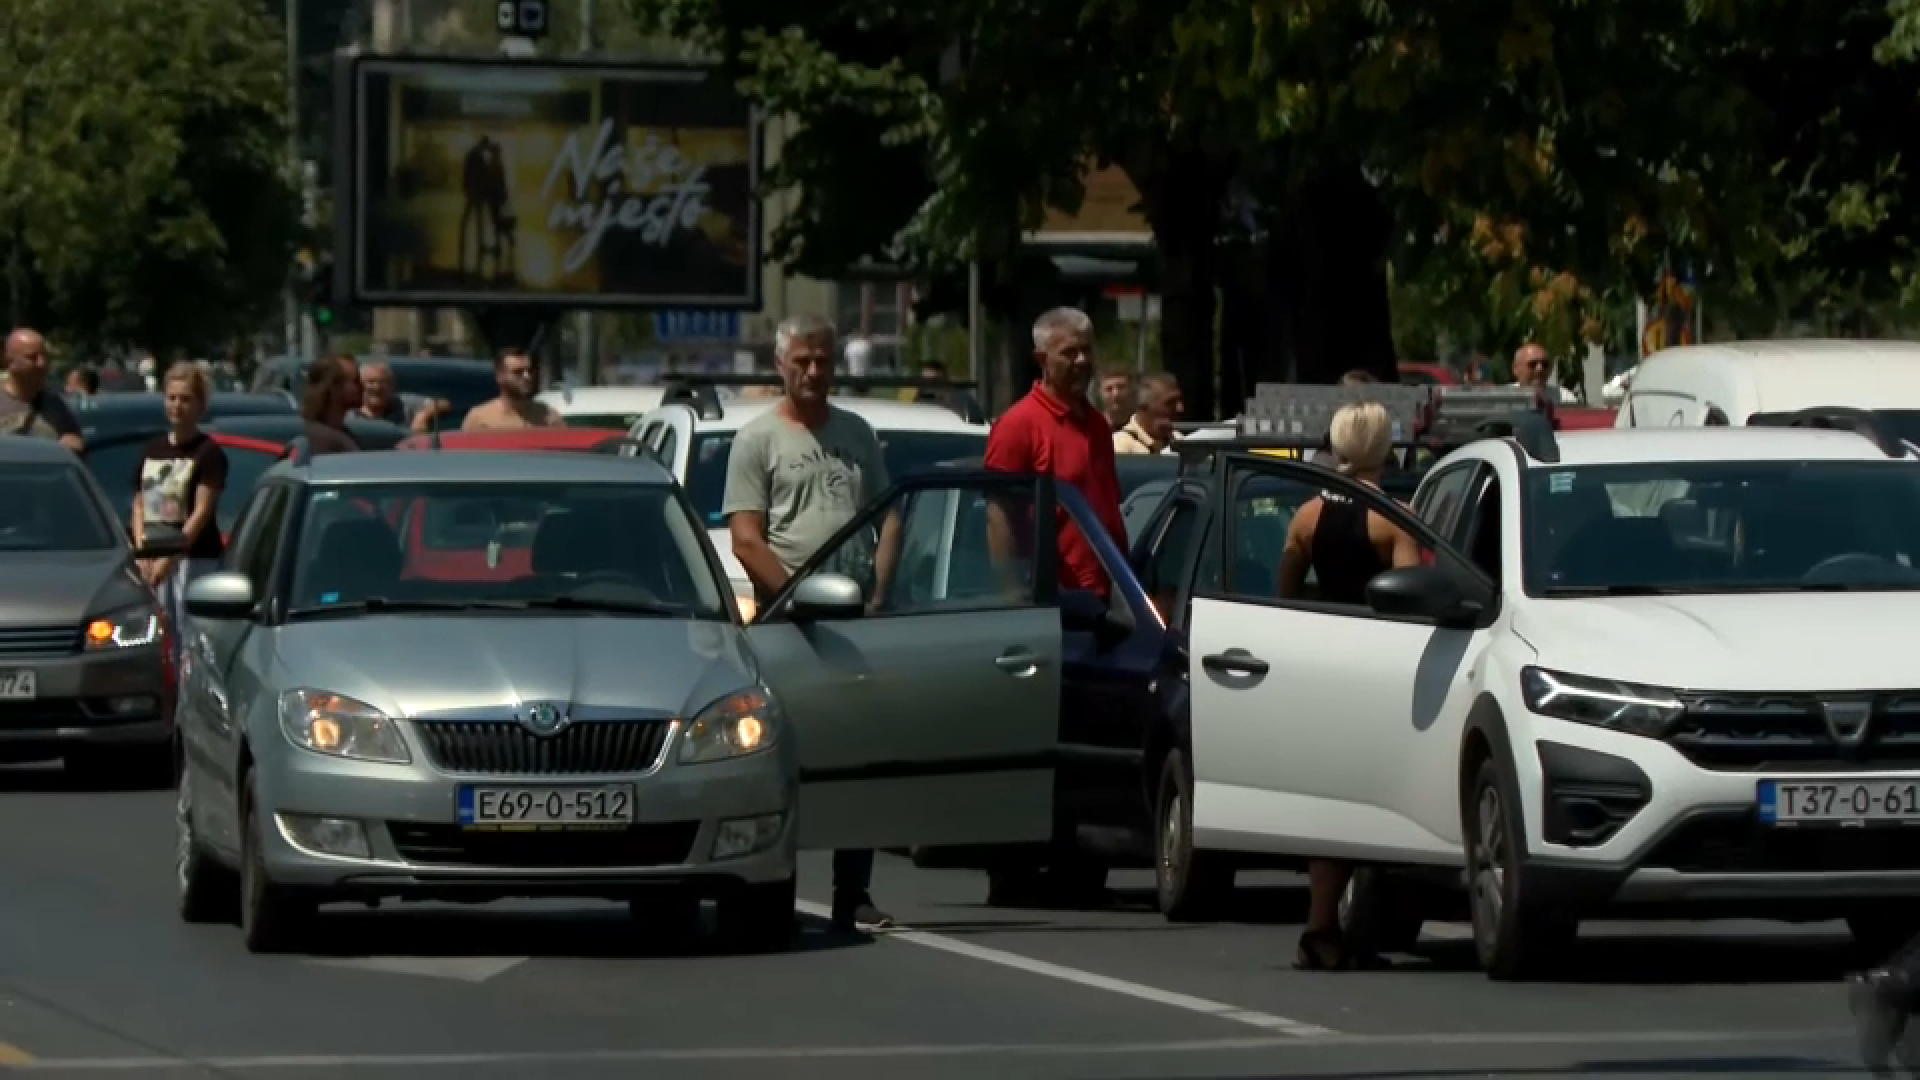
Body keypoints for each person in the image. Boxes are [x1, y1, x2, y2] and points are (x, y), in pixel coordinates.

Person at [720, 313, 901, 933]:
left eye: (823, 359)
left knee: (861, 756)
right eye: (803, 360)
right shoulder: (758, 440)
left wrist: (878, 588)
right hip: (789, 622)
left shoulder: (856, 431)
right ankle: (772, 889)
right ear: (780, 364)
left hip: (858, 621)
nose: (816, 371)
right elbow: (747, 540)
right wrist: (796, 597)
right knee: (782, 758)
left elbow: (889, 515)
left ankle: (854, 892)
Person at [1277, 402, 1424, 971]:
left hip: (1321, 667)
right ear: (1384, 450)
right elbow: (1413, 603)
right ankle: (1345, 926)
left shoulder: (1306, 516)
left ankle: (1322, 924)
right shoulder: (1393, 519)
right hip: (1374, 670)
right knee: (1371, 802)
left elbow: (1285, 597)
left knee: (1328, 801)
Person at [984, 307, 1127, 597]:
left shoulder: (1098, 426)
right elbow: (998, 518)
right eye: (1069, 353)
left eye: (1087, 350)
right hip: (1052, 602)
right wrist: (1012, 595)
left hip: (1107, 599)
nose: (1083, 360)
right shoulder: (1018, 426)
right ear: (1042, 360)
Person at [132, 363, 229, 670]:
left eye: (185, 399)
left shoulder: (208, 453)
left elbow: (201, 511)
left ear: (200, 405)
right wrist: (143, 553)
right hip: (154, 560)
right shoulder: (152, 449)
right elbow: (139, 504)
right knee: (160, 642)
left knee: (191, 642)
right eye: (172, 398)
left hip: (194, 560)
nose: (177, 405)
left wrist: (169, 557)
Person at [0, 329, 83, 453]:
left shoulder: (53, 404)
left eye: (44, 356)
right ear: (10, 362)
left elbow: (76, 442)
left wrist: (70, 445)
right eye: (32, 357)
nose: (42, 363)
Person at [463, 350, 562, 430]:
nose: (527, 376)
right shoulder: (481, 418)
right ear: (499, 376)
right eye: (518, 372)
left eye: (530, 371)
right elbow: (467, 453)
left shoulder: (547, 416)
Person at [358, 360, 449, 432]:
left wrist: (422, 416)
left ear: (392, 386)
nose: (377, 387)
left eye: (383, 382)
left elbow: (442, 403)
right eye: (370, 382)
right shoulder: (349, 411)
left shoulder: (403, 403)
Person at [300, 356, 364, 455]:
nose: (362, 386)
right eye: (355, 380)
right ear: (332, 387)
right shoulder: (322, 440)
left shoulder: (342, 433)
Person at [1113, 373, 1183, 454]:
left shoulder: (1179, 439)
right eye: (1170, 403)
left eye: (1179, 401)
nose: (1180, 409)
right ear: (1143, 405)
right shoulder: (1120, 446)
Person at [1511, 343, 1579, 404]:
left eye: (1545, 364)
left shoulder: (1565, 398)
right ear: (1515, 369)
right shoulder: (1502, 398)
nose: (1540, 369)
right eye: (1533, 364)